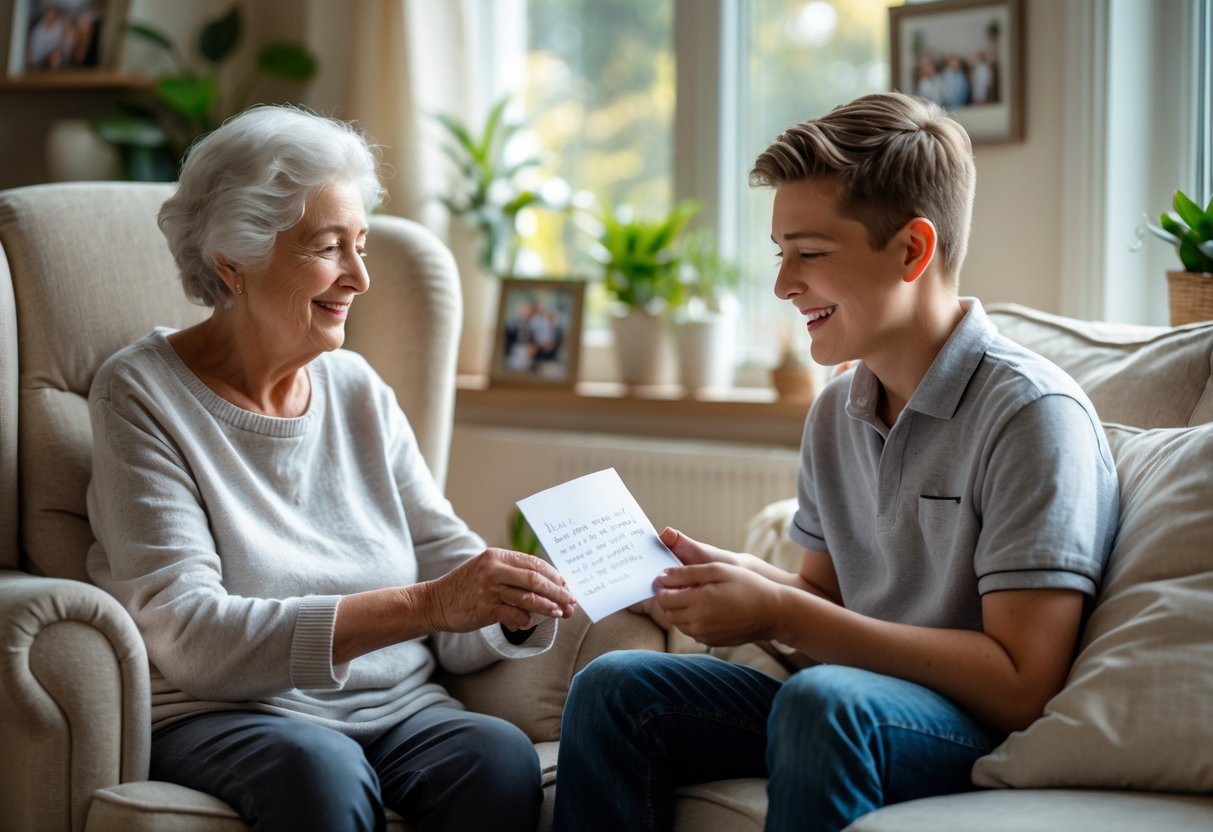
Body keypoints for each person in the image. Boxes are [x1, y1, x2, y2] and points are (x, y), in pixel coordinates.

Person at [552, 92, 1118, 832]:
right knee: (615, 687)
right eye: (780, 252)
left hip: (968, 724)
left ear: (912, 250)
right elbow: (829, 604)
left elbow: (1020, 684)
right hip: (842, 702)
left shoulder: (1030, 415)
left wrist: (782, 610)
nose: (784, 284)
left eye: (809, 254)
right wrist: (714, 578)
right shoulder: (836, 409)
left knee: (825, 702)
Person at [86, 105, 576, 832]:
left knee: (497, 760)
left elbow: (446, 568)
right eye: (327, 248)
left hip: (400, 711)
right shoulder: (142, 393)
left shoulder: (355, 389)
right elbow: (192, 636)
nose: (358, 278)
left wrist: (511, 601)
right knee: (320, 771)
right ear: (234, 261)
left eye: (362, 245)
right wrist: (429, 605)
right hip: (233, 715)